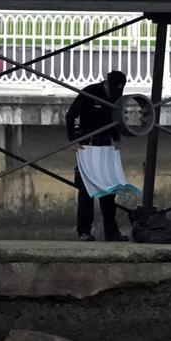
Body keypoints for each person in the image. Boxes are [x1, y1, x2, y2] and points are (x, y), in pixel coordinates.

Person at [65, 70, 129, 242]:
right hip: (87, 145)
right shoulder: (90, 92)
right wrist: (74, 140)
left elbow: (114, 118)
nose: (114, 94)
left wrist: (116, 138)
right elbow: (71, 115)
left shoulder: (116, 96)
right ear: (106, 83)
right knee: (86, 190)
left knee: (109, 190)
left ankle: (111, 232)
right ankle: (84, 231)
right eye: (112, 90)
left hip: (106, 145)